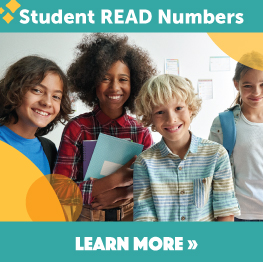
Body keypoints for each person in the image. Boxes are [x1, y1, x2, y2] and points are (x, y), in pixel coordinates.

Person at [54, 33, 157, 221]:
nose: (114, 87)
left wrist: (123, 193)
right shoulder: (77, 128)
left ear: (134, 84)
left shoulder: (141, 131)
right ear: (92, 82)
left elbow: (153, 184)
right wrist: (113, 181)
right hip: (87, 218)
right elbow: (61, 191)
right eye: (105, 78)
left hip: (131, 217)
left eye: (123, 79)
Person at [134, 74, 240, 221]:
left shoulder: (216, 155)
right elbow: (144, 218)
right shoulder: (144, 163)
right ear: (150, 117)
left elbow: (225, 213)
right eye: (160, 112)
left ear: (190, 109)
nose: (171, 119)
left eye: (178, 108)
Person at [209, 51, 263, 221]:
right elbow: (213, 170)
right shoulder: (223, 123)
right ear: (236, 84)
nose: (256, 92)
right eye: (248, 85)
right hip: (240, 215)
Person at [0, 55, 72, 175]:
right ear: (14, 90)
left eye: (56, 97)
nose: (47, 102)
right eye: (37, 90)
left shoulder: (49, 150)